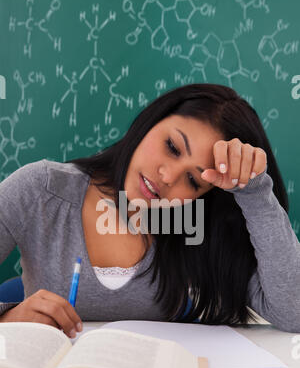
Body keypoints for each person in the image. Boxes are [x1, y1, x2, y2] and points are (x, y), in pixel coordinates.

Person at [0, 83, 299, 336]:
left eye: (193, 181)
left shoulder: (197, 226)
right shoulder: (41, 189)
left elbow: (293, 312)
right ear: (152, 121)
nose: (167, 177)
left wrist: (254, 190)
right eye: (171, 146)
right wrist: (7, 319)